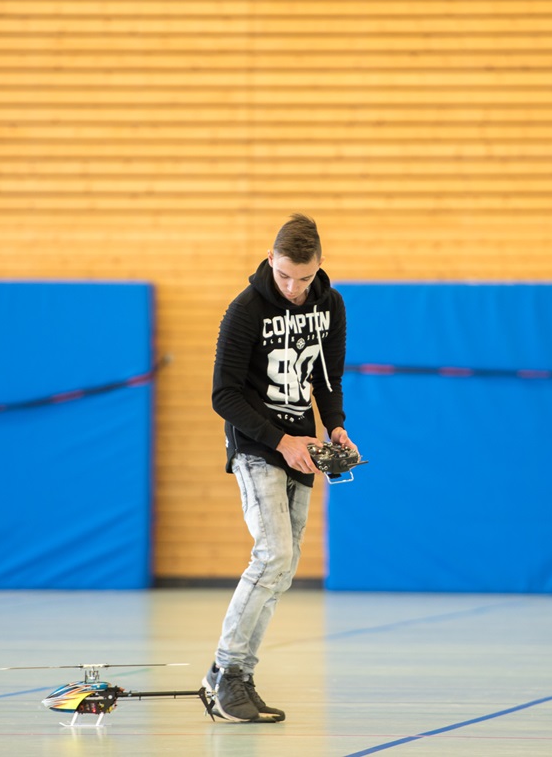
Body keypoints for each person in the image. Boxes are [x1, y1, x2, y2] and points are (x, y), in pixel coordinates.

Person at [203, 213, 357, 723]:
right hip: (258, 444)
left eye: (304, 278)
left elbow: (328, 380)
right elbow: (223, 395)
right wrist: (281, 441)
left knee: (283, 569)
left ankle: (233, 676)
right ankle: (228, 673)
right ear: (271, 259)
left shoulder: (331, 305)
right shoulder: (245, 310)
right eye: (285, 275)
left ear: (320, 266)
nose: (293, 288)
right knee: (272, 555)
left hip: (302, 447)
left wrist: (335, 427)